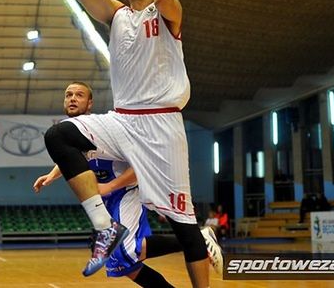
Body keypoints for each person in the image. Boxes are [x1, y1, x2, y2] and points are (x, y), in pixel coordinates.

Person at [44, 0, 211, 286]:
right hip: (122, 121)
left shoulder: (167, 13)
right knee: (59, 136)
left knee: (185, 228)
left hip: (162, 125)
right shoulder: (117, 15)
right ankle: (105, 227)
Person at [35, 82, 223, 287]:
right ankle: (195, 240)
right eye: (68, 95)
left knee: (128, 251)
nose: (72, 98)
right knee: (123, 265)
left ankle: (196, 239)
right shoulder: (74, 135)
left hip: (126, 192)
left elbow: (142, 167)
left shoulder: (108, 130)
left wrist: (110, 187)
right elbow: (72, 159)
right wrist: (52, 175)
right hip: (106, 199)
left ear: (90, 104)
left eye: (79, 95)